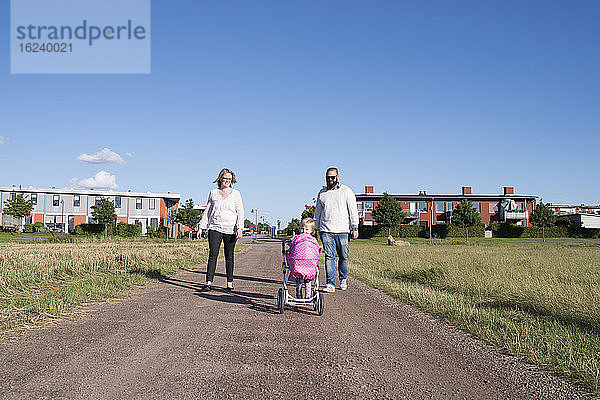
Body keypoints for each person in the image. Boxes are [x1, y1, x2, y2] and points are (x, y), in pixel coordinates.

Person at [313, 167, 359, 293]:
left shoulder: (346, 191)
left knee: (343, 256)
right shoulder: (322, 193)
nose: (330, 180)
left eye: (332, 177)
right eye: (328, 177)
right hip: (326, 230)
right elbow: (317, 212)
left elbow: (353, 211)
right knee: (329, 257)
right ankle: (330, 283)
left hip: (343, 230)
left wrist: (354, 227)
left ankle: (343, 278)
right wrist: (314, 228)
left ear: (337, 177)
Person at [198, 168, 244, 291]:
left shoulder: (236, 194)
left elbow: (240, 211)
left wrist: (240, 227)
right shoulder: (213, 193)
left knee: (229, 256)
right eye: (225, 179)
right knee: (213, 255)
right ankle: (208, 282)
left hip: (231, 229)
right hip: (215, 227)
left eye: (229, 179)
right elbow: (208, 211)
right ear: (220, 179)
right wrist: (201, 226)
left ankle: (229, 283)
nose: (227, 181)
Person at [286, 218, 322, 299]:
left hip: (305, 263)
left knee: (307, 282)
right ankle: (299, 292)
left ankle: (306, 296)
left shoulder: (307, 239)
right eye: (302, 229)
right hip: (303, 263)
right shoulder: (302, 239)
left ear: (311, 230)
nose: (304, 231)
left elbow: (291, 249)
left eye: (306, 229)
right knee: (300, 281)